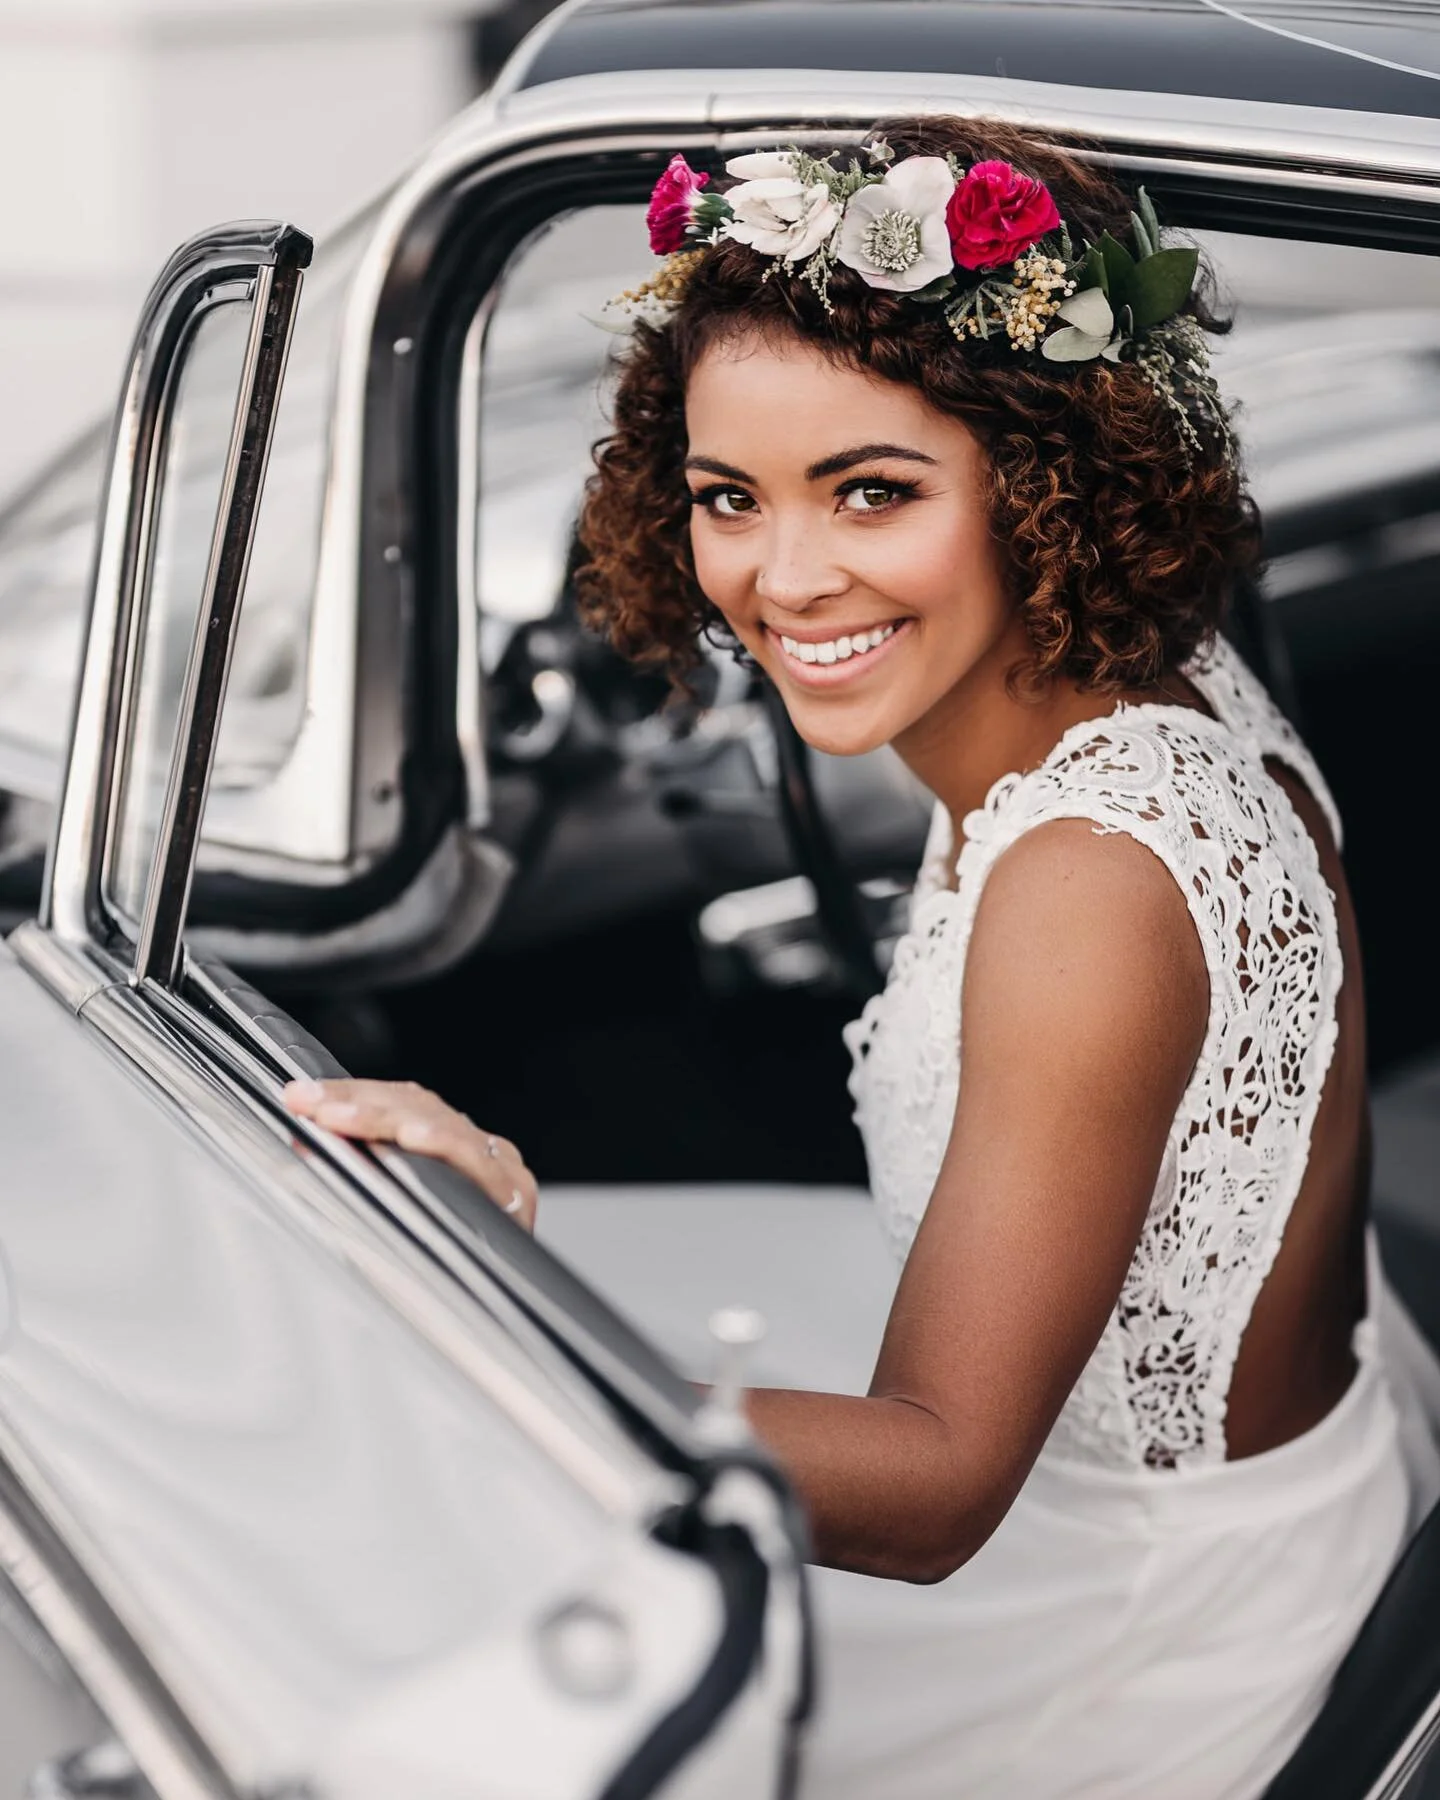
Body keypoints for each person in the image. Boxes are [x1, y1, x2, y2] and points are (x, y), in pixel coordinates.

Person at [283, 117, 1440, 1798]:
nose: (786, 577)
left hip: (1117, 1608)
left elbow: (940, 1488)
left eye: (874, 492)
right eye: (727, 498)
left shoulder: (1095, 879)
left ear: (1054, 485)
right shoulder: (1133, 673)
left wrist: (480, 1344)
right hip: (1213, 1441)